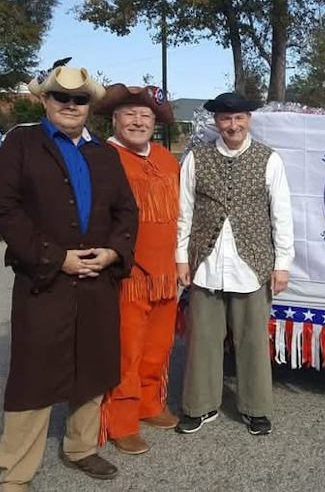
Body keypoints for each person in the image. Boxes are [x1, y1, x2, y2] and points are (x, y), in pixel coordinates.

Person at [0, 60, 138, 490]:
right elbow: (4, 208)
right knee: (33, 374)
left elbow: (127, 211)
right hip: (43, 278)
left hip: (97, 278)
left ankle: (80, 447)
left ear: (89, 105)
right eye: (61, 97)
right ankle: (15, 472)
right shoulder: (22, 145)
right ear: (45, 100)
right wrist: (55, 258)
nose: (71, 105)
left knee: (92, 364)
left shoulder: (104, 153)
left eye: (79, 99)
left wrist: (113, 252)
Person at [175, 92, 294, 436]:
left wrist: (282, 263)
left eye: (239, 118)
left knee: (252, 339)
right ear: (216, 122)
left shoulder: (269, 159)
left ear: (249, 120)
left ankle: (256, 408)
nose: (232, 125)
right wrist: (181, 258)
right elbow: (185, 213)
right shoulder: (196, 158)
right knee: (203, 339)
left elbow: (281, 216)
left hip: (252, 263)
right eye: (226, 119)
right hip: (205, 262)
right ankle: (200, 406)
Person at [94, 84, 181, 454]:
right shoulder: (102, 157)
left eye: (145, 116)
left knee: (158, 347)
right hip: (126, 276)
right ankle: (121, 421)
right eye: (129, 114)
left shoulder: (165, 157)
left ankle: (149, 404)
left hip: (166, 274)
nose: (138, 121)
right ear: (114, 119)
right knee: (126, 351)